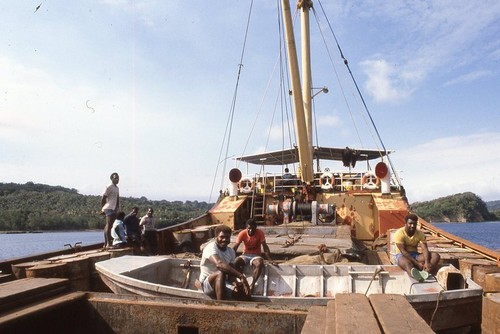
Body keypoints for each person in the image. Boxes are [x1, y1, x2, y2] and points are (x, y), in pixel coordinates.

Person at [199, 225, 250, 300]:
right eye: (221, 237)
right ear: (216, 237)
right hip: (207, 284)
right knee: (221, 272)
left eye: (227, 237)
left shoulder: (231, 251)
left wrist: (235, 282)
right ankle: (220, 305)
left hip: (223, 283)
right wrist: (241, 276)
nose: (224, 240)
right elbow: (219, 265)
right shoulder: (210, 247)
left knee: (243, 295)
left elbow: (231, 273)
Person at [394, 213, 440, 279]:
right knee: (407, 263)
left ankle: (426, 272)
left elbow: (424, 249)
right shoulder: (399, 233)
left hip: (415, 255)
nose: (412, 226)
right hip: (402, 255)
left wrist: (427, 262)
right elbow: (403, 252)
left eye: (414, 224)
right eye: (410, 223)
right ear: (406, 223)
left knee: (435, 256)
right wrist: (417, 264)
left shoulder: (420, 233)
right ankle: (416, 276)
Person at [232, 219, 272, 292]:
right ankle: (243, 280)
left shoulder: (260, 233)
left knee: (259, 264)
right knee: (235, 262)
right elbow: (235, 247)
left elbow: (265, 246)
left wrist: (270, 260)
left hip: (256, 255)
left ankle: (252, 284)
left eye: (252, 228)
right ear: (246, 228)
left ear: (255, 228)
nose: (250, 230)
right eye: (249, 228)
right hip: (245, 255)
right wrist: (230, 258)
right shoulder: (242, 233)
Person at [100, 172, 119, 248]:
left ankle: (106, 243)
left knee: (109, 225)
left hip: (114, 208)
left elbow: (117, 199)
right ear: (111, 179)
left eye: (118, 178)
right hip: (108, 207)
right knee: (109, 225)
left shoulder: (117, 188)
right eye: (115, 178)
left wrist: (117, 208)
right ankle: (108, 243)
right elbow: (103, 198)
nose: (117, 179)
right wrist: (102, 208)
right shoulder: (109, 186)